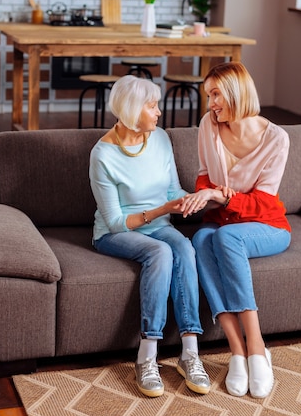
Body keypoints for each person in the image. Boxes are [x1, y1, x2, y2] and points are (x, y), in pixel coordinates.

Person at [89, 75, 210, 398]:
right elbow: (115, 221)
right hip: (117, 233)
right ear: (131, 110)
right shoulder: (103, 156)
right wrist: (162, 210)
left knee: (183, 248)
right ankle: (147, 356)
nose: (159, 112)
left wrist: (196, 199)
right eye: (152, 106)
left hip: (159, 226)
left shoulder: (159, 139)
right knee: (160, 253)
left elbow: (172, 190)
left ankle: (190, 353)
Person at [181, 62, 291, 399]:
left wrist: (219, 195)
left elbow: (262, 203)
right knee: (200, 238)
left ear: (236, 92)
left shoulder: (276, 139)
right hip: (220, 223)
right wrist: (207, 193)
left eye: (215, 94)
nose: (211, 103)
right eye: (208, 95)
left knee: (226, 236)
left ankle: (256, 345)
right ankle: (237, 350)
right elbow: (203, 175)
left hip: (266, 227)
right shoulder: (208, 126)